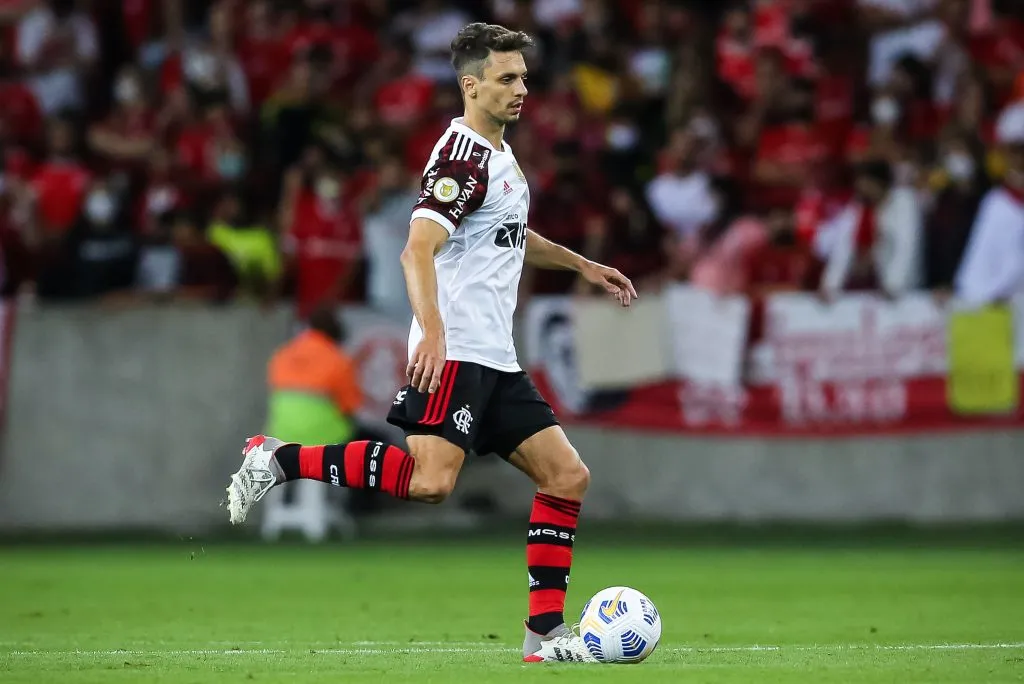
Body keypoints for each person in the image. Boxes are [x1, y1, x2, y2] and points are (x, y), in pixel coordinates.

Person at [224, 22, 636, 664]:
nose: (522, 87)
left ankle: (544, 638)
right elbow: (417, 249)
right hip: (458, 349)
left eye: (523, 76)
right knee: (430, 482)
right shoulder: (460, 160)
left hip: (495, 355)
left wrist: (582, 265)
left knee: (567, 476)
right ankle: (277, 459)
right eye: (507, 78)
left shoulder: (499, 157)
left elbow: (511, 234)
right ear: (471, 86)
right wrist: (435, 333)